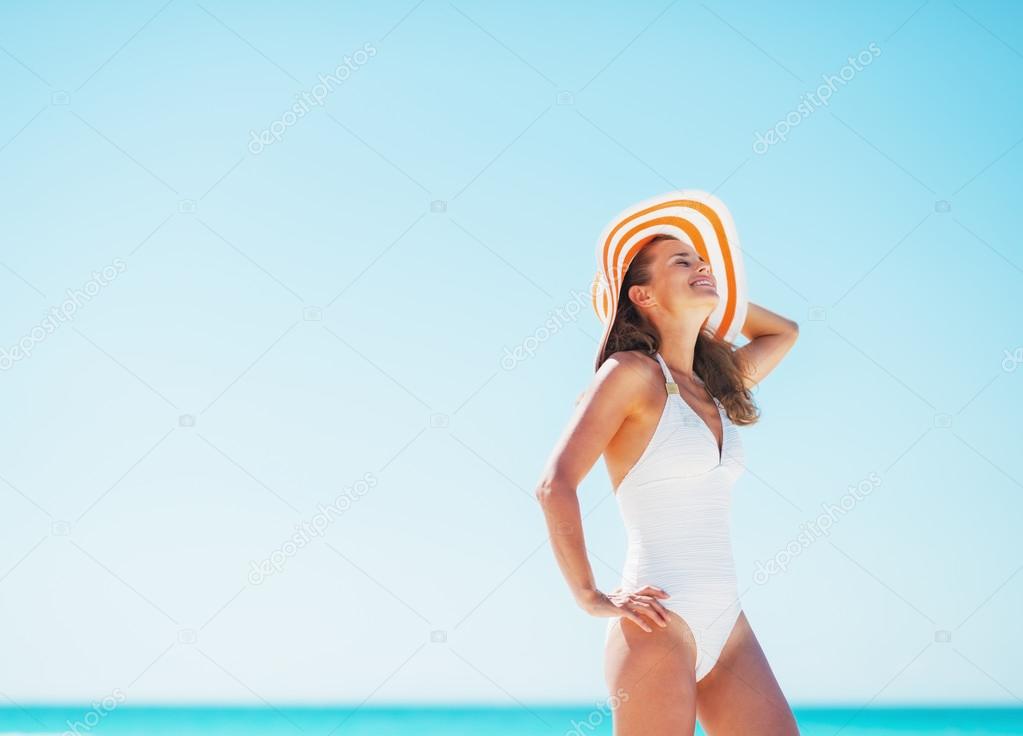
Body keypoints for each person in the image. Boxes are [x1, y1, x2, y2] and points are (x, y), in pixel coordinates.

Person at [535, 233, 800, 735]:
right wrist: (590, 596)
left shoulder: (713, 386)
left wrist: (722, 293)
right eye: (683, 262)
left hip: (729, 626)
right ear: (643, 295)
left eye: (704, 262)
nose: (703, 267)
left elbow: (783, 333)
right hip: (656, 623)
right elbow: (554, 486)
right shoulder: (630, 374)